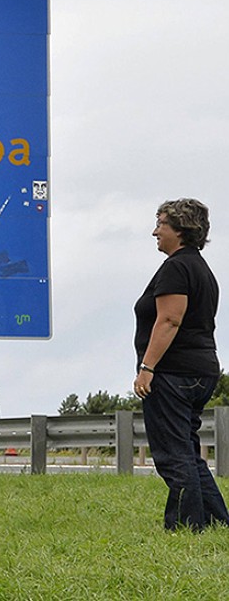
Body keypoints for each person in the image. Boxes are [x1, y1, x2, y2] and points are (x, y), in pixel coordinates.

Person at [133, 198, 229, 531]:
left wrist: (147, 367)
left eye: (161, 223)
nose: (155, 231)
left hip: (174, 373)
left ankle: (186, 527)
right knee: (187, 451)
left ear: (180, 229)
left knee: (173, 456)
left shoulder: (176, 267)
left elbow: (169, 320)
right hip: (202, 370)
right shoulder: (202, 269)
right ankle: (217, 521)